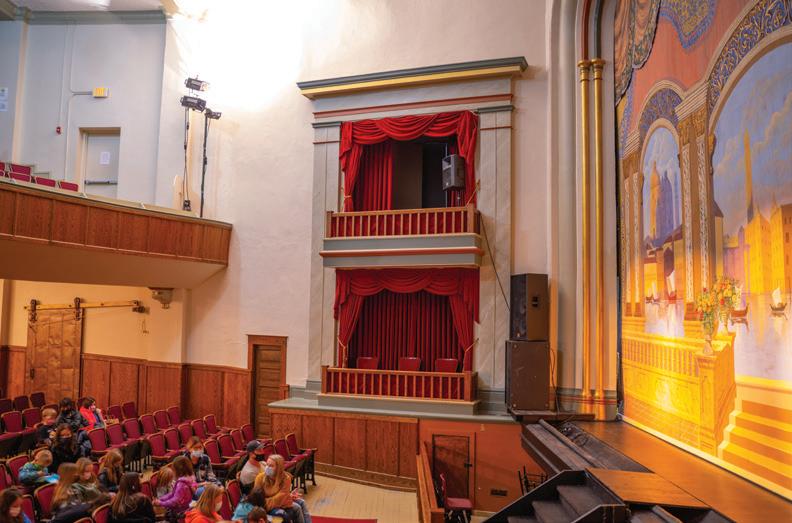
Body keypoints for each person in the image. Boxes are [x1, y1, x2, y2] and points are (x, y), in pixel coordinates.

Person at [262, 455, 310, 523]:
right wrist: (287, 496)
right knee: (297, 507)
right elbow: (259, 500)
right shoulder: (260, 478)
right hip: (267, 506)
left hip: (276, 502)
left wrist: (287, 495)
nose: (267, 467)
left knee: (301, 502)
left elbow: (280, 496)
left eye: (271, 466)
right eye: (267, 464)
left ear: (279, 468)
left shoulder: (285, 478)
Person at [154, 456, 196, 520]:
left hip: (179, 513)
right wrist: (161, 499)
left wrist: (161, 503)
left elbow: (175, 501)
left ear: (177, 470)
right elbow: (172, 493)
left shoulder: (181, 484)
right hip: (185, 508)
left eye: (173, 469)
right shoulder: (190, 478)